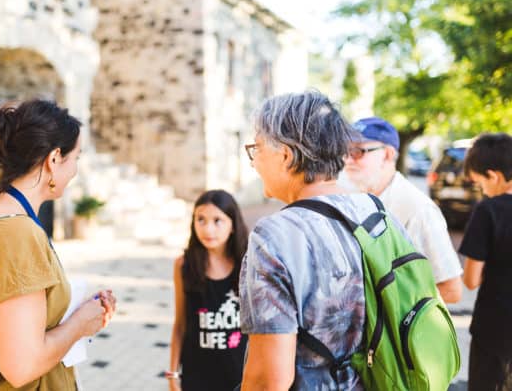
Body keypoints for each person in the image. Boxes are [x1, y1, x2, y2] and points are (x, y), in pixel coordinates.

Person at [237, 91, 418, 390]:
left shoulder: (275, 236)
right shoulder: (377, 212)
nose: (253, 162)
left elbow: (269, 380)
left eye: (256, 148)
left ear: (285, 154)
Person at [0, 99, 116, 390]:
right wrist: (80, 325)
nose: (75, 169)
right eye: (76, 157)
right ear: (54, 159)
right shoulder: (15, 234)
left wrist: (78, 310)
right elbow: (22, 366)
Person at [341, 117, 463, 303]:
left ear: (388, 154)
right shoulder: (351, 199)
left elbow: (451, 289)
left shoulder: (417, 209)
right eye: (345, 151)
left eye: (358, 151)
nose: (348, 160)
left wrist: (386, 308)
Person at [168, 190, 249, 391]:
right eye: (201, 220)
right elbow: (180, 325)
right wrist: (172, 375)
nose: (208, 229)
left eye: (217, 221)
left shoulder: (247, 265)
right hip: (197, 376)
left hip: (239, 376)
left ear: (232, 225)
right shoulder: (184, 266)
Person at [458, 133, 512, 391]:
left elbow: (470, 280)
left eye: (480, 184)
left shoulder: (488, 210)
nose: (482, 191)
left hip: (494, 329)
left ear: (494, 176)